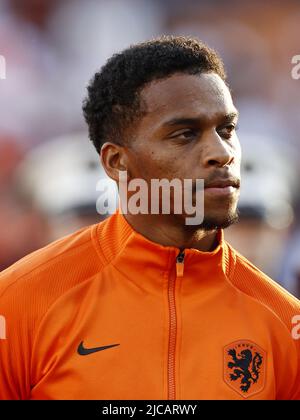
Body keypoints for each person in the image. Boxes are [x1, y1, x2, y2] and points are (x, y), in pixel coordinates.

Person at [0, 36, 299, 400]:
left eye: (227, 130)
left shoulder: (285, 322)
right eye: (185, 134)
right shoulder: (18, 304)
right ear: (116, 162)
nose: (221, 154)